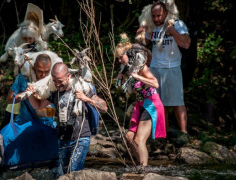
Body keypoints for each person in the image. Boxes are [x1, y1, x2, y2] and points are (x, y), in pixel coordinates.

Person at [26, 62, 108, 175]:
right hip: (63, 138)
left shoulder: (82, 87)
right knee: (61, 175)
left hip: (80, 137)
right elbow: (38, 105)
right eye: (54, 81)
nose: (57, 84)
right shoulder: (55, 91)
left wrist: (86, 99)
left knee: (72, 173)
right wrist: (30, 94)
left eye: (60, 81)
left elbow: (104, 107)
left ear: (68, 76)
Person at [137, 1, 191, 144]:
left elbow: (186, 44)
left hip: (172, 67)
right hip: (155, 68)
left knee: (177, 101)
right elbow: (143, 43)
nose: (156, 19)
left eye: (158, 15)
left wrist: (172, 31)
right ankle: (163, 132)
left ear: (166, 12)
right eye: (153, 16)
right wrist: (141, 34)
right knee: (159, 102)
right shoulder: (152, 25)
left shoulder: (177, 24)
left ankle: (184, 133)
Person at [115, 33, 166, 170]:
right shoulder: (131, 69)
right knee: (130, 138)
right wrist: (123, 79)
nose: (119, 60)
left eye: (121, 57)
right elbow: (134, 91)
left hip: (151, 104)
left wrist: (137, 76)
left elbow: (155, 84)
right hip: (140, 105)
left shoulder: (142, 68)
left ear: (129, 55)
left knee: (139, 140)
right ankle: (141, 165)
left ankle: (143, 170)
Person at [0, 20, 40, 130]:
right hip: (22, 82)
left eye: (30, 38)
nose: (28, 41)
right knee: (11, 110)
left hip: (37, 84)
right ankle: (2, 136)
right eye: (25, 38)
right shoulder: (20, 45)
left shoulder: (40, 47)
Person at [6, 54, 55, 127]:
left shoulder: (54, 81)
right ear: (34, 66)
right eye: (40, 71)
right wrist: (26, 93)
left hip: (45, 124)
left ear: (50, 68)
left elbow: (51, 112)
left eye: (46, 71)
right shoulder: (24, 78)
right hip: (24, 122)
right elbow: (9, 100)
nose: (43, 75)